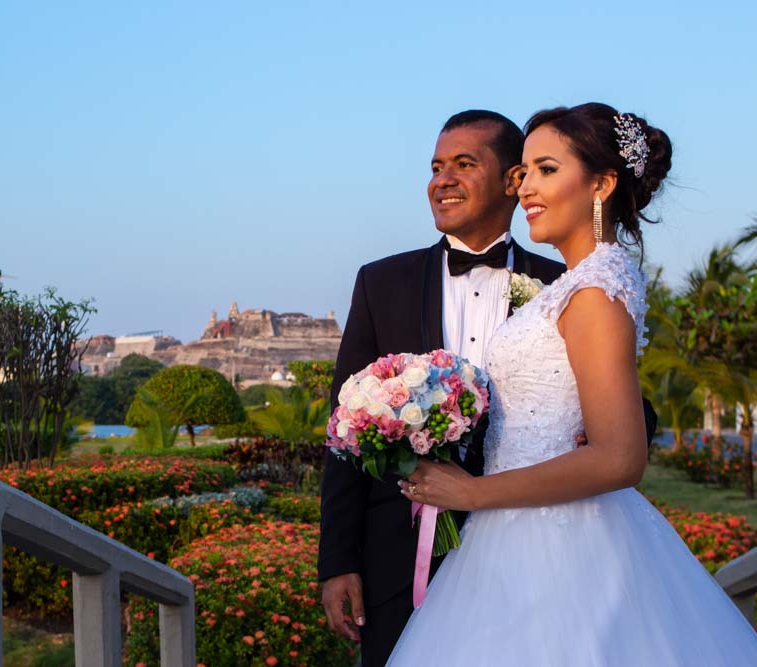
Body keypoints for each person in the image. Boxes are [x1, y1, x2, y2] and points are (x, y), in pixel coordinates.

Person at [387, 103, 757, 664]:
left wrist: (470, 492)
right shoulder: (578, 283)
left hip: (558, 546)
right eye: (525, 171)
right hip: (509, 536)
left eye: (547, 169)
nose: (526, 187)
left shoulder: (595, 291)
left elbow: (620, 459)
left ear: (602, 183)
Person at [317, 110, 657, 666]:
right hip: (399, 556)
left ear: (509, 179)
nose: (442, 180)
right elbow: (345, 432)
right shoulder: (381, 283)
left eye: (464, 164)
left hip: (543, 542)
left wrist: (597, 436)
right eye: (435, 167)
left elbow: (623, 413)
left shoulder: (564, 282)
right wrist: (337, 560)